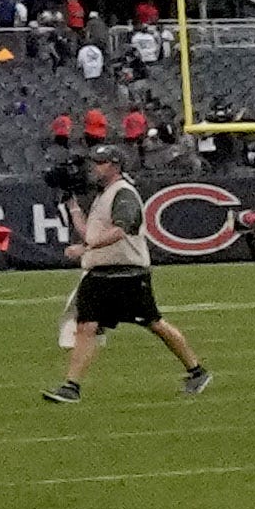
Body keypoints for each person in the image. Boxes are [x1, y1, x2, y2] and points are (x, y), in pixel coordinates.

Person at [42, 147, 210, 406]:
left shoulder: (123, 193)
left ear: (114, 165)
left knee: (154, 323)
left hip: (126, 273)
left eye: (100, 163)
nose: (94, 168)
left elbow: (122, 230)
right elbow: (90, 233)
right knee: (86, 327)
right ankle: (71, 386)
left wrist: (85, 248)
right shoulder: (105, 194)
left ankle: (197, 370)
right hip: (99, 272)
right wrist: (73, 206)